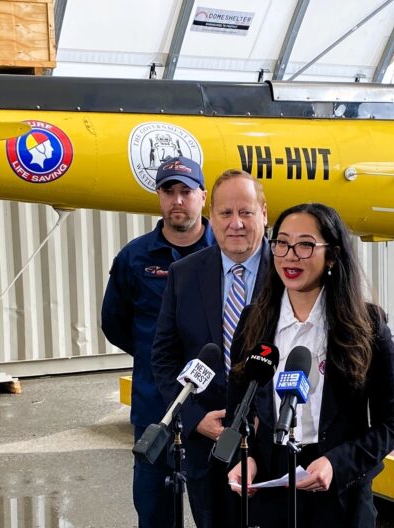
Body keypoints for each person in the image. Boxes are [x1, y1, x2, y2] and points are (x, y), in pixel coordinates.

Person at [226, 202, 394, 528]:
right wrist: (245, 457)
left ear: (333, 256)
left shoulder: (367, 326)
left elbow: (392, 424)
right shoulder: (253, 322)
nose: (290, 255)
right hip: (271, 485)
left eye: (305, 244)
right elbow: (238, 410)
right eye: (282, 242)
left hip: (340, 491)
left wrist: (336, 464)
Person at [151, 169, 270, 528]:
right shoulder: (184, 274)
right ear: (211, 216)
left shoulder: (290, 271)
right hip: (207, 446)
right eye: (225, 213)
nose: (236, 224)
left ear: (264, 214)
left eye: (246, 212)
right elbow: (163, 358)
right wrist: (194, 418)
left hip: (271, 446)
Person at [101, 156, 214, 528]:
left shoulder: (226, 253)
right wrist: (158, 360)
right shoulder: (134, 257)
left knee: (218, 509)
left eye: (186, 191)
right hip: (155, 405)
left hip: (214, 406)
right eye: (169, 191)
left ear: (202, 195)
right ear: (159, 196)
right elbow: (114, 323)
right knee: (154, 512)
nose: (178, 200)